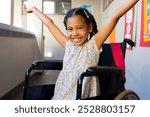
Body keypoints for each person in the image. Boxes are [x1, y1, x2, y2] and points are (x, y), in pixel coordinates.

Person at [23, 0, 139, 100]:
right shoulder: (68, 45)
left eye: (79, 28)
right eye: (70, 29)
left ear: (90, 27)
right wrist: (33, 9)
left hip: (83, 96)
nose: (74, 33)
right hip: (61, 95)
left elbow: (115, 16)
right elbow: (49, 23)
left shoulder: (93, 45)